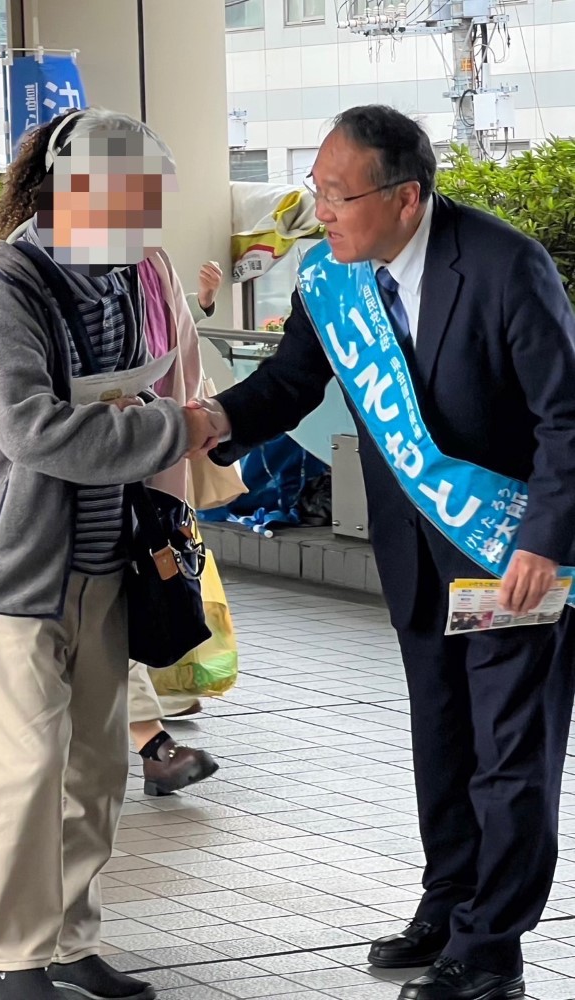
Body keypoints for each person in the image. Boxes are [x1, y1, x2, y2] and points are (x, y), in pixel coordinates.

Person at [191, 105, 575, 1000]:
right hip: (414, 553)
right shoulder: (333, 278)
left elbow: (567, 420)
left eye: (336, 194)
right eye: (316, 193)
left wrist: (544, 547)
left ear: (405, 199)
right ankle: (448, 906)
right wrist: (213, 420)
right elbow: (290, 381)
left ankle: (490, 956)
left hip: (507, 549)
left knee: (510, 752)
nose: (319, 212)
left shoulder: (502, 265)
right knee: (442, 737)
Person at [0, 108, 219, 1000]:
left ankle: (68, 939)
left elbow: (141, 384)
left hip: (107, 560)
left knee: (95, 771)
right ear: (70, 191)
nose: (143, 217)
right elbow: (30, 429)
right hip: (13, 569)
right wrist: (171, 425)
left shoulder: (131, 277)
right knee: (21, 773)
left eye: (148, 198)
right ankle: (14, 961)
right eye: (127, 198)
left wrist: (143, 414)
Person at [127, 258, 224, 796]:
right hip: (107, 475)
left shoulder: (151, 262)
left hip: (144, 474)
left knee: (136, 599)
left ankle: (156, 729)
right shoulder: (30, 268)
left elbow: (172, 355)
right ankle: (152, 740)